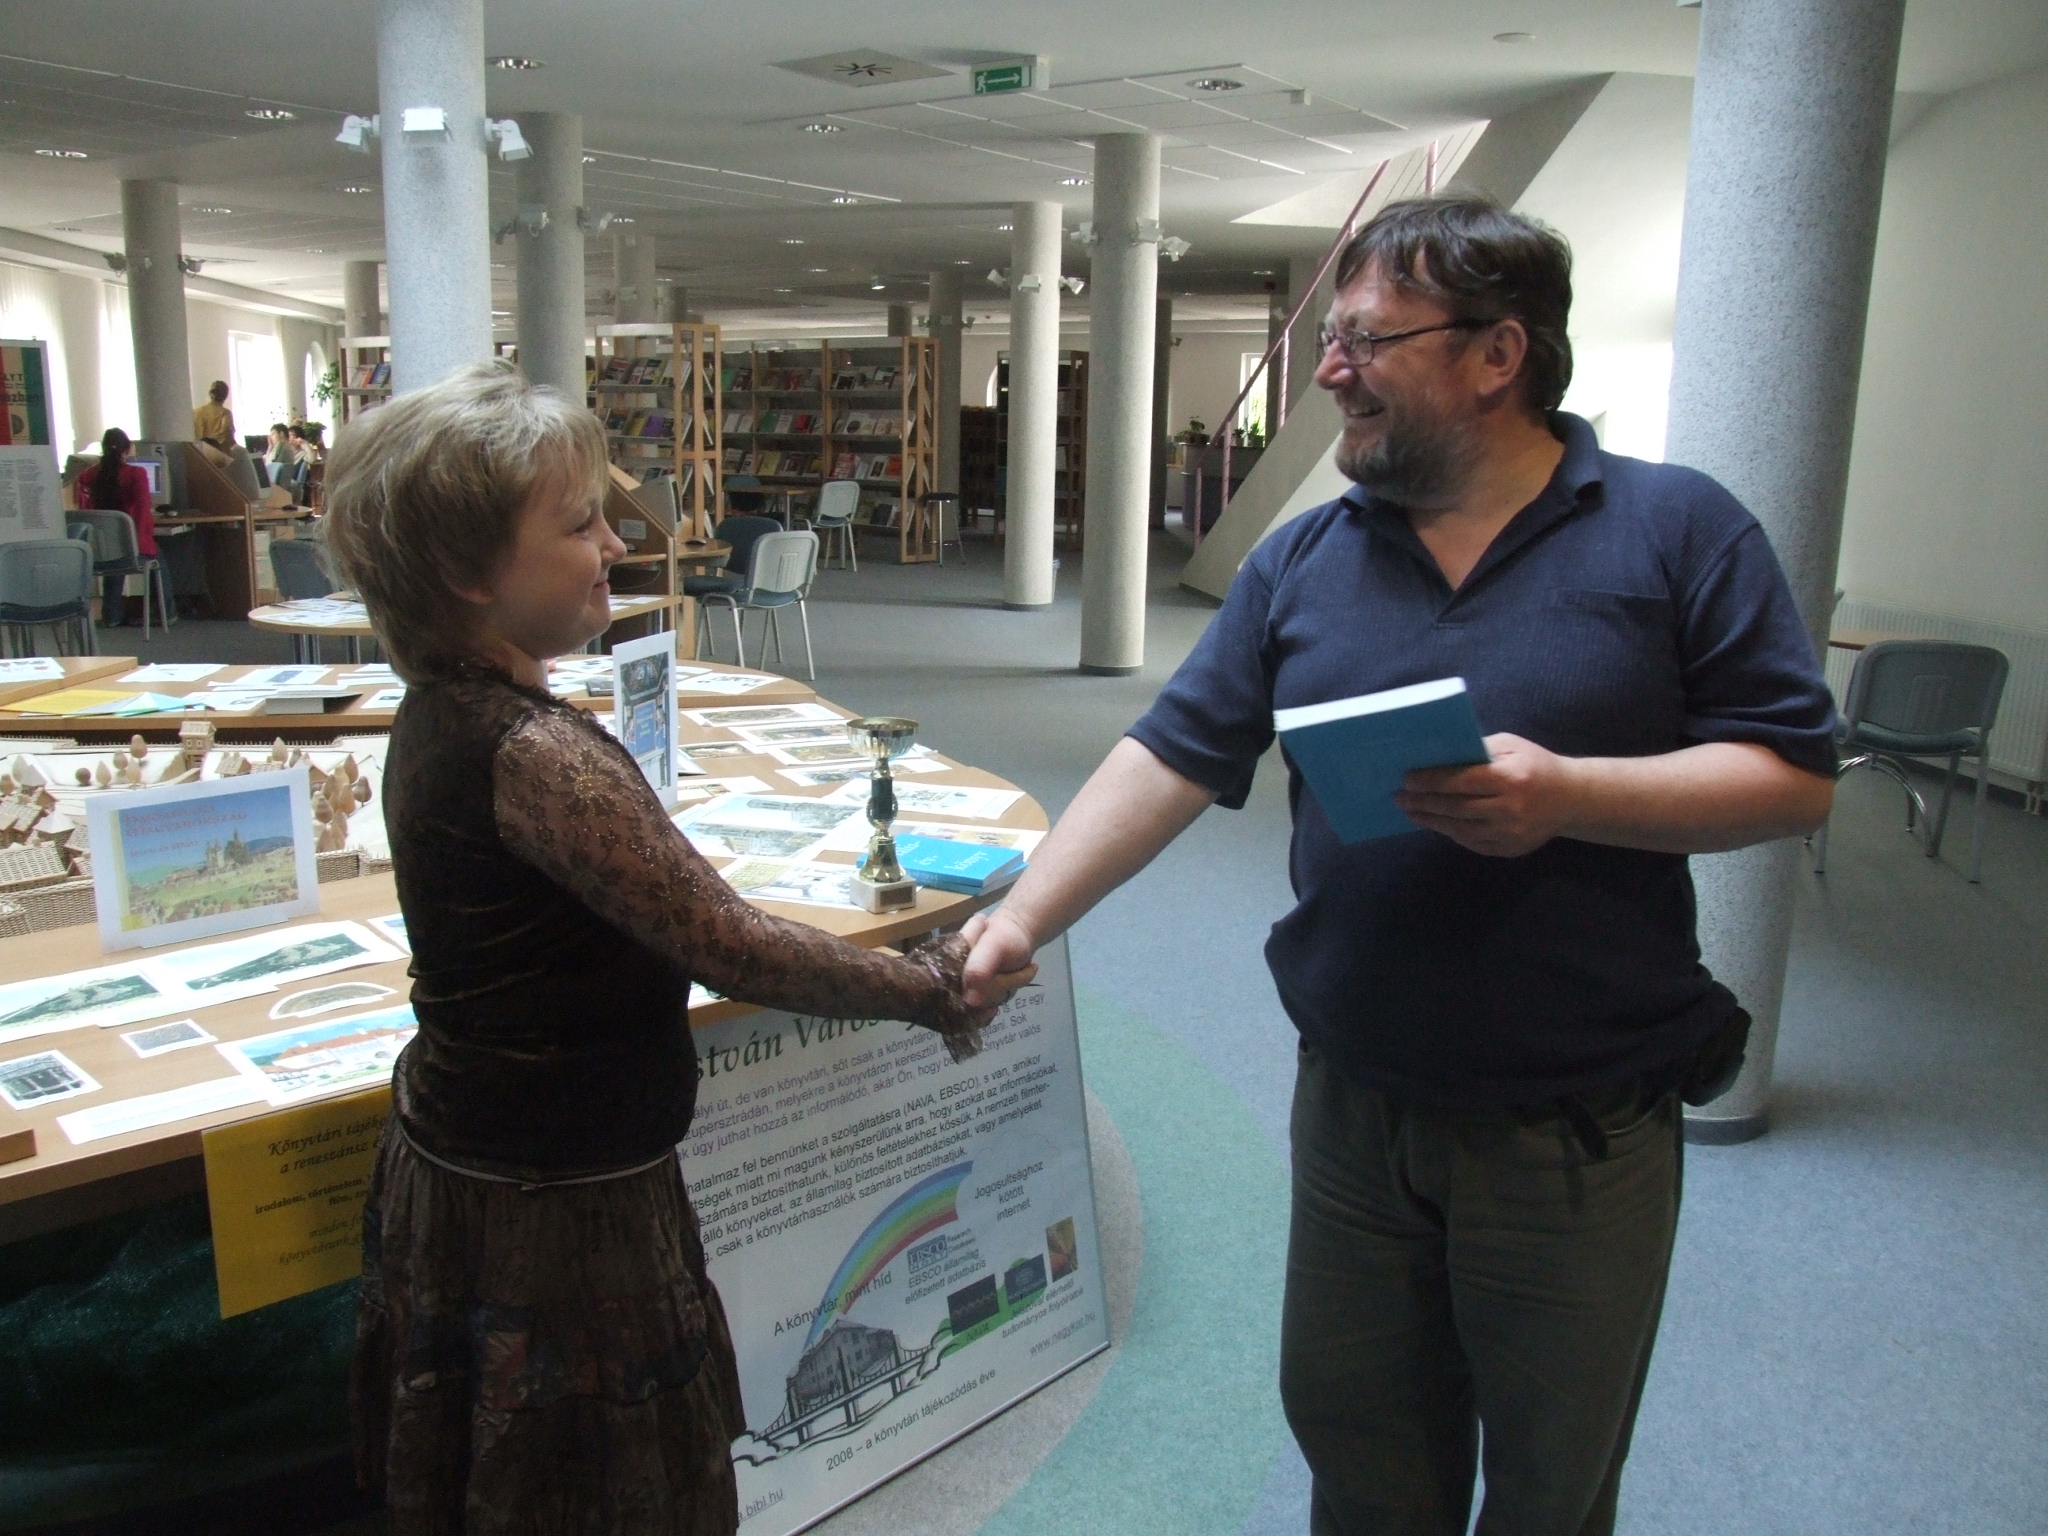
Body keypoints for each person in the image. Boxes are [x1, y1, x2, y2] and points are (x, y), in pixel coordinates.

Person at [962, 196, 1838, 1536]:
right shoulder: (1306, 558)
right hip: (1355, 1105)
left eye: (1366, 340)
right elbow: (1173, 754)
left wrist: (1568, 795)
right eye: (1331, 340)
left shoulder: (1675, 530)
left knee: (1548, 1487)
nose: (1328, 371)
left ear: (1498, 354)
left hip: (1573, 1125)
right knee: (1362, 1458)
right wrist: (1026, 916)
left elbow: (1792, 775)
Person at [322, 361, 1029, 1535]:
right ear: (467, 574)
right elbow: (731, 946)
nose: (615, 541)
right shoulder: (532, 752)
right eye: (578, 524)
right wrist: (928, 989)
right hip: (553, 1210)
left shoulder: (447, 711)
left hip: (487, 1164)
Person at [81, 427, 158, 627]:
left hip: (98, 553)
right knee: (159, 557)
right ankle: (167, 613)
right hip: (128, 551)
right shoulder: (135, 474)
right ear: (127, 449)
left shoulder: (88, 476)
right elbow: (143, 511)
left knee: (113, 552)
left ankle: (112, 614)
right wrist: (143, 545)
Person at [192, 380, 234, 451]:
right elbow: (226, 437)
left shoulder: (195, 412)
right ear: (225, 396)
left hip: (197, 453)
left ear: (210, 393)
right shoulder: (225, 413)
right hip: (217, 454)